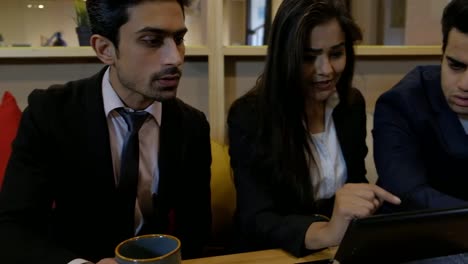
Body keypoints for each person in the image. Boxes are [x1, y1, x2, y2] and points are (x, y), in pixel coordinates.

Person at [0, 0, 212, 263]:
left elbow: (196, 231)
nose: (176, 58)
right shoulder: (51, 112)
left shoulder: (192, 125)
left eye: (179, 38)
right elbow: (12, 228)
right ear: (105, 49)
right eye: (152, 40)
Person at [227, 0, 400, 257]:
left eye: (336, 54)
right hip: (272, 253)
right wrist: (327, 231)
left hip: (335, 251)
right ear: (284, 57)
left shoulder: (350, 105)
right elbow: (257, 219)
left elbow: (354, 182)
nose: (326, 70)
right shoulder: (250, 115)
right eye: (308, 57)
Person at [374, 0, 468, 212]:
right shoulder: (401, 104)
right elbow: (408, 194)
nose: (464, 85)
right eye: (455, 65)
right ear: (442, 56)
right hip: (411, 239)